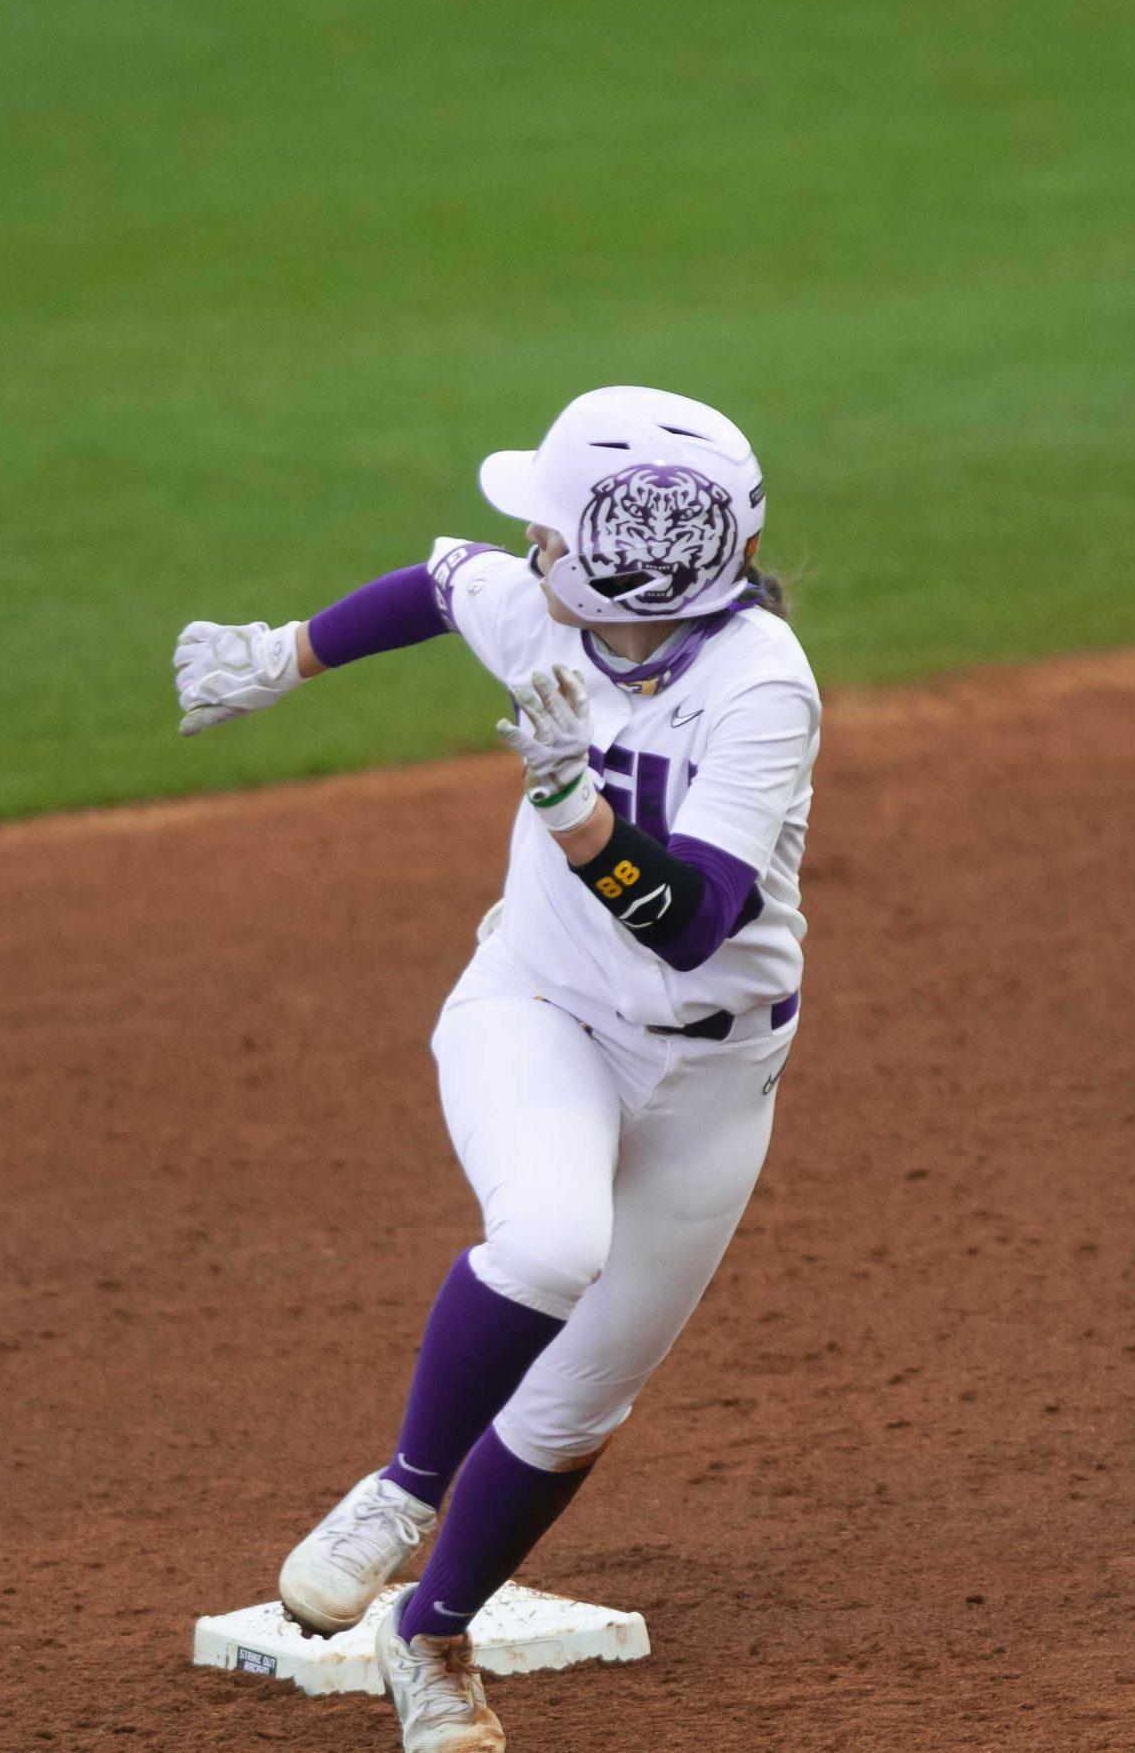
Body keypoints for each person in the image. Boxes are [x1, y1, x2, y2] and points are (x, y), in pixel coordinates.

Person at [173, 386, 820, 1753]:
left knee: (582, 1401)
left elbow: (697, 917)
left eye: (550, 518)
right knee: (550, 1239)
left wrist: (572, 806)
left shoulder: (761, 686)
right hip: (536, 1012)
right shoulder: (543, 605)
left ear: (620, 556)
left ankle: (432, 1638)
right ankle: (403, 1491)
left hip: (714, 1079)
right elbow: (434, 582)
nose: (524, 534)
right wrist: (283, 656)